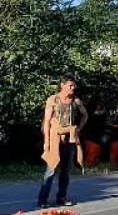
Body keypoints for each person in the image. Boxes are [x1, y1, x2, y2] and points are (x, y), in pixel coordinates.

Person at [38, 77, 88, 207]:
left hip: (70, 138)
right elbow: (47, 121)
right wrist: (46, 141)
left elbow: (85, 115)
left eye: (74, 85)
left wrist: (78, 128)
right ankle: (43, 199)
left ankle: (61, 197)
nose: (73, 88)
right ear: (62, 85)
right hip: (55, 137)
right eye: (70, 85)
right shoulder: (53, 100)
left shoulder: (76, 101)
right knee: (51, 169)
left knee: (66, 170)